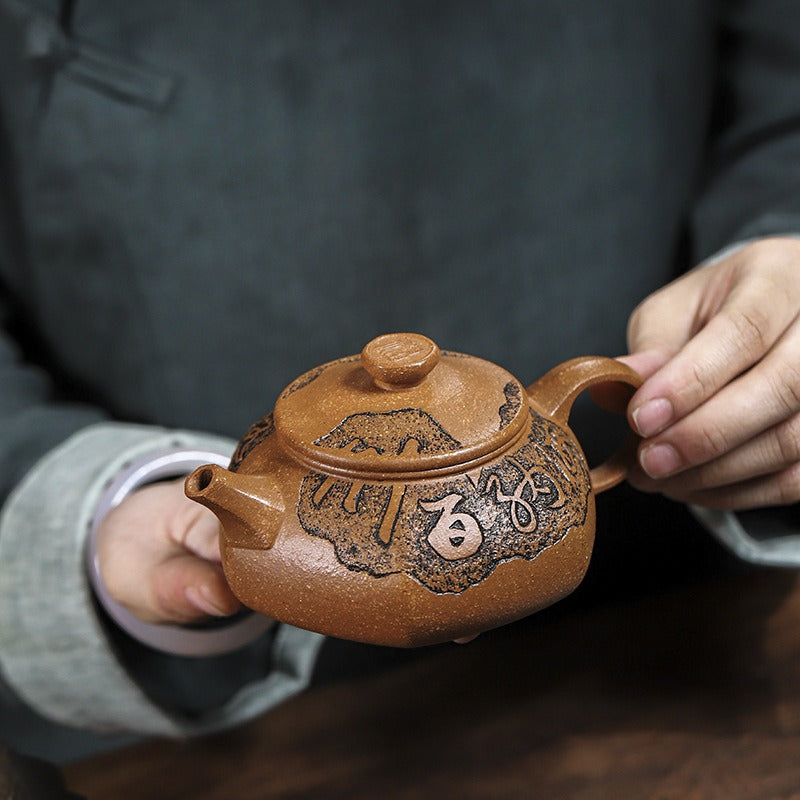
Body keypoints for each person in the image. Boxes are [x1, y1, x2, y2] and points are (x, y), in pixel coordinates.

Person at [1, 0, 799, 763]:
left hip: (670, 652)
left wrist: (775, 274)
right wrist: (78, 496)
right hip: (189, 730)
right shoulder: (264, 471)